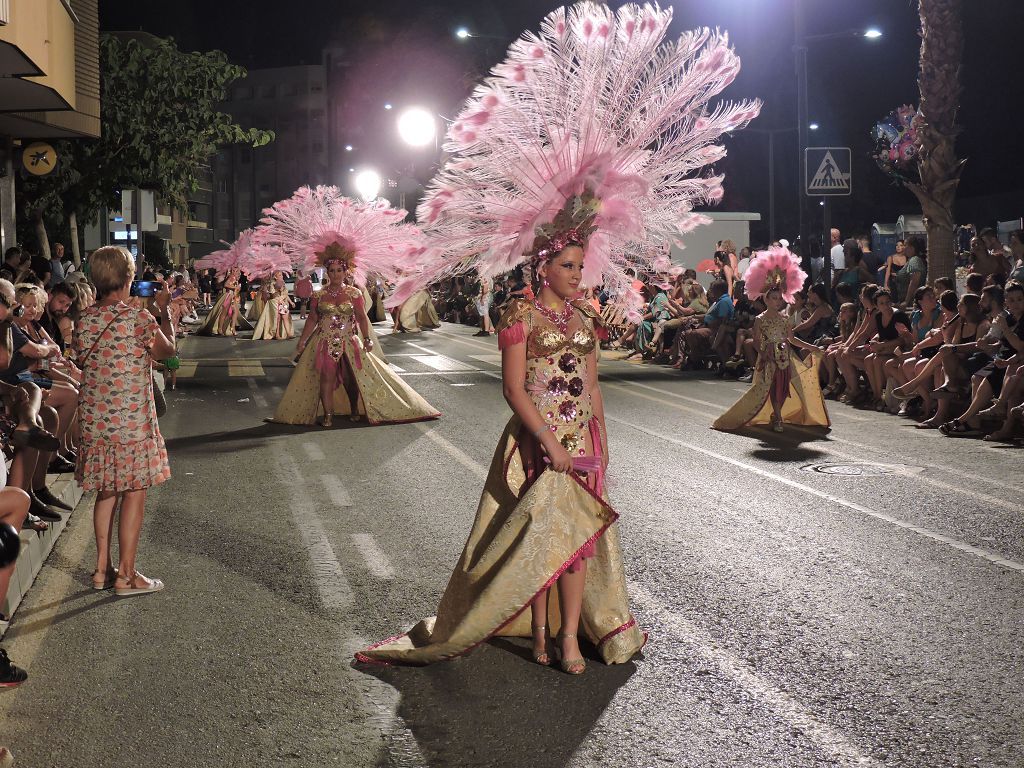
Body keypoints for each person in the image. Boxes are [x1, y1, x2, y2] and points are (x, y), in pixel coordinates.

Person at [261, 188, 440, 426]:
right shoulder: (320, 294)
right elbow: (313, 319)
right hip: (324, 340)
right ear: (327, 271)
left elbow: (361, 317)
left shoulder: (354, 293)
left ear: (347, 271)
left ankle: (355, 406)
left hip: (349, 340)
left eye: (339, 270)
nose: (335, 274)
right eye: (331, 271)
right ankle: (327, 414)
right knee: (326, 378)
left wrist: (367, 338)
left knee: (350, 379)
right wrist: (302, 341)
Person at [72, 246, 174, 595]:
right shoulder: (139, 319)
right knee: (134, 491)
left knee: (106, 489)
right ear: (129, 277)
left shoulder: (84, 320)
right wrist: (164, 310)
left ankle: (101, 570)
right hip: (131, 421)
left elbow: (83, 359)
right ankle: (127, 577)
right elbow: (168, 352)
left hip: (95, 420)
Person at [714, 247, 829, 432]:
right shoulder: (760, 319)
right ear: (766, 300)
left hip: (785, 357)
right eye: (773, 298)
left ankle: (778, 413)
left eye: (778, 298)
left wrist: (812, 347)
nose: (777, 301)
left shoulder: (785, 319)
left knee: (785, 388)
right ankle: (778, 417)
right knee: (772, 387)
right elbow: (758, 340)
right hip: (769, 358)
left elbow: (791, 339)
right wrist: (763, 353)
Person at [195, 267, 243, 336]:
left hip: (232, 297)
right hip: (228, 296)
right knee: (225, 313)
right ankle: (220, 329)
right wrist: (235, 287)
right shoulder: (232, 276)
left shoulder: (234, 277)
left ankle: (231, 328)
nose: (235, 271)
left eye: (237, 270)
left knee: (233, 312)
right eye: (234, 270)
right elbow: (225, 285)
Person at [252, 271, 294, 340]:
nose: (282, 276)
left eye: (282, 275)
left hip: (282, 302)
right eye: (280, 275)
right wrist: (278, 290)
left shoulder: (283, 283)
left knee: (285, 316)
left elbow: (285, 294)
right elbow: (272, 294)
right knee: (278, 318)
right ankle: (277, 335)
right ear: (275, 277)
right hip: (275, 302)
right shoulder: (272, 283)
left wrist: (290, 302)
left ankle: (288, 333)